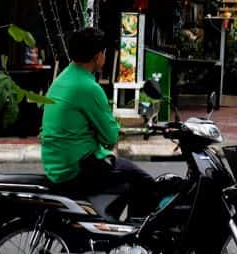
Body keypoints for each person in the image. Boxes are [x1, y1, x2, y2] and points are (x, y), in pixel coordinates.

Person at [41, 27, 155, 218]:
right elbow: (110, 136)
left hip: (56, 164)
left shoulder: (62, 79)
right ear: (98, 56)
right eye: (104, 52)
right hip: (76, 168)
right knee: (144, 181)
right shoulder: (88, 87)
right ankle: (133, 238)